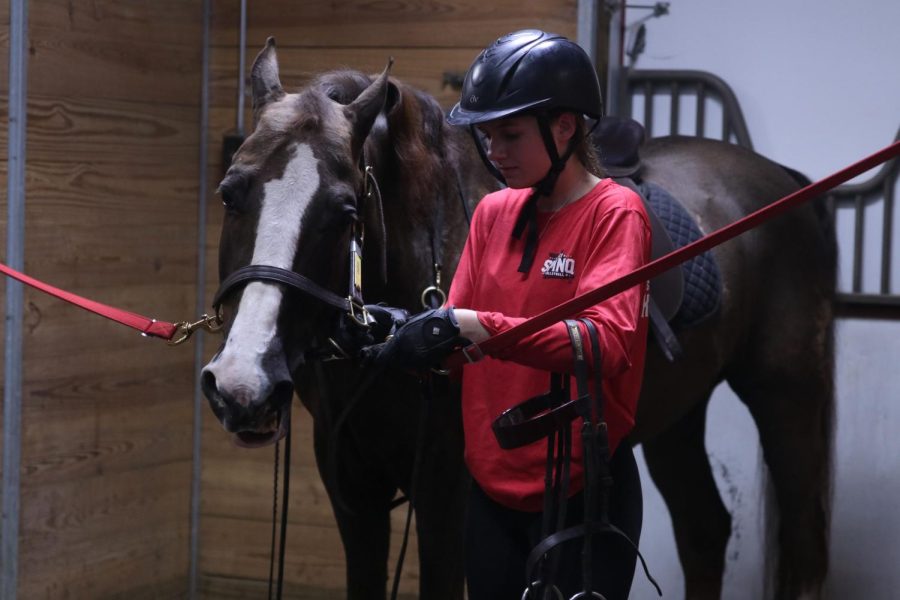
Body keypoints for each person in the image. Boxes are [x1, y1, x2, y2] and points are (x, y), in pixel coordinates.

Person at [365, 29, 651, 600]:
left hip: (581, 488)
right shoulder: (494, 212)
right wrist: (403, 337)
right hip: (490, 490)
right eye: (488, 135)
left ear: (565, 126)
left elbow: (605, 343)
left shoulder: (616, 213)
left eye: (511, 134)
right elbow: (455, 332)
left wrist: (477, 328)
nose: (494, 151)